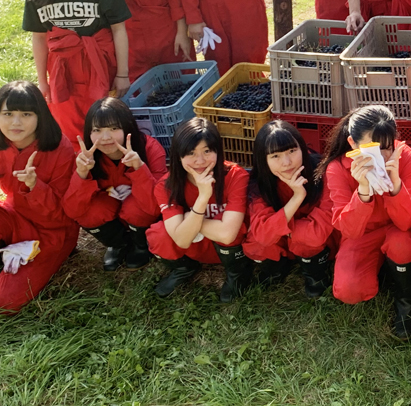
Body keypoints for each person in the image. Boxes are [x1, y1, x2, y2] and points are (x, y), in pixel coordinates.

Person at [318, 106, 411, 338]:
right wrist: (363, 190)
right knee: (349, 290)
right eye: (372, 149)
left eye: (388, 148)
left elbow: (407, 222)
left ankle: (407, 302)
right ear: (352, 144)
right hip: (363, 233)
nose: (382, 157)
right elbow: (349, 229)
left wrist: (395, 185)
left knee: (402, 244)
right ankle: (388, 269)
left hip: (398, 229)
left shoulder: (405, 157)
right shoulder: (337, 169)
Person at [23, 0, 131, 143]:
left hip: (100, 65)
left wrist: (122, 74)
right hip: (62, 69)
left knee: (105, 121)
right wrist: (43, 81)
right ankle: (80, 172)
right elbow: (39, 37)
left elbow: (119, 30)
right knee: (68, 126)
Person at [148, 118, 251, 302]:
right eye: (191, 153)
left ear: (218, 151)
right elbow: (181, 239)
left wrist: (189, 218)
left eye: (207, 151)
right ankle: (184, 268)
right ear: (178, 155)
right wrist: (202, 199)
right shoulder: (166, 185)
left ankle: (237, 275)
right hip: (193, 246)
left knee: (233, 224)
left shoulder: (235, 175)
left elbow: (228, 234)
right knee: (159, 234)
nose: (200, 160)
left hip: (228, 247)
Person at [0, 81, 78, 315]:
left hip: (52, 231)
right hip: (14, 215)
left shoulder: (60, 148)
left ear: (40, 116)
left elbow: (63, 212)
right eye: (7, 114)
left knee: (5, 301)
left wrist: (35, 186)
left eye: (26, 114)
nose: (15, 122)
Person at [62, 98, 167, 271]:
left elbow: (155, 206)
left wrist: (139, 169)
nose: (105, 137)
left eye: (114, 128)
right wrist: (81, 174)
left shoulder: (149, 149)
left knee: (135, 209)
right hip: (111, 212)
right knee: (89, 211)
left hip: (139, 212)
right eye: (97, 130)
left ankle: (141, 245)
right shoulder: (86, 157)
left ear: (127, 127)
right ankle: (118, 244)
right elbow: (73, 210)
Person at [244, 120, 334, 299]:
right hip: (285, 235)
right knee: (255, 241)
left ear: (302, 148)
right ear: (263, 159)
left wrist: (281, 228)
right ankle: (277, 268)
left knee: (306, 237)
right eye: (275, 156)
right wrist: (296, 197)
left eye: (292, 151)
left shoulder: (323, 172)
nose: (286, 162)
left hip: (314, 239)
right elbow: (262, 235)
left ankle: (315, 275)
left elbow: (319, 230)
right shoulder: (259, 183)